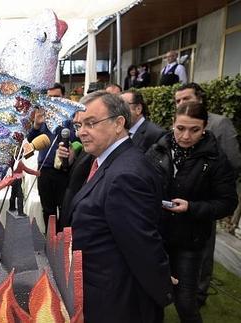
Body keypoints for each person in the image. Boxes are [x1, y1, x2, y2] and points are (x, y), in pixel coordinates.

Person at [69, 91, 173, 322]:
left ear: (118, 124)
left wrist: (162, 287)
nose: (82, 132)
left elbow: (142, 246)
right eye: (79, 125)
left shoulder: (126, 174)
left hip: (117, 301)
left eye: (91, 123)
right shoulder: (104, 159)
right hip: (102, 290)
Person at [145, 102, 237, 322]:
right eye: (180, 128)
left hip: (189, 241)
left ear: (205, 127)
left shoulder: (215, 158)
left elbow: (227, 202)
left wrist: (192, 207)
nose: (186, 136)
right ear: (172, 124)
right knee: (150, 297)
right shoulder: (157, 149)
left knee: (185, 302)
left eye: (194, 130)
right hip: (155, 236)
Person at [173, 82, 241, 306]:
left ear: (200, 99)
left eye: (187, 99)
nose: (182, 103)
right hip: (176, 212)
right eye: (178, 101)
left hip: (205, 203)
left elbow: (233, 161)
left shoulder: (220, 123)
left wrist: (208, 178)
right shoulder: (173, 133)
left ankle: (199, 294)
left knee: (203, 254)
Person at [27, 82, 76, 230]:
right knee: (47, 209)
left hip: (64, 170)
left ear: (63, 97)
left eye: (56, 97)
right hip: (45, 170)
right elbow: (30, 140)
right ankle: (50, 241)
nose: (53, 101)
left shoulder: (71, 117)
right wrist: (36, 125)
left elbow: (76, 139)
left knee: (65, 208)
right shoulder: (43, 117)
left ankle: (63, 241)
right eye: (50, 98)